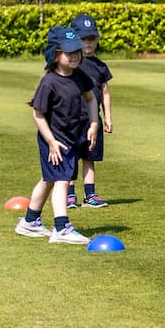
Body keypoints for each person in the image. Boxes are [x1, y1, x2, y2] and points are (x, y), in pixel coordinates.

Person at [14, 26, 98, 245]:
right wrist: (51, 142)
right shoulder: (49, 82)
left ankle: (30, 221)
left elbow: (90, 98)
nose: (75, 56)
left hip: (72, 137)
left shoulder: (79, 76)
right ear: (55, 55)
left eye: (77, 51)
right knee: (62, 180)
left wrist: (94, 123)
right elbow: (38, 114)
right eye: (69, 52)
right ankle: (62, 227)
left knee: (50, 179)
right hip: (54, 140)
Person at [68, 13, 113, 209]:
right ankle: (69, 196)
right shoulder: (70, 63)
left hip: (92, 120)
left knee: (89, 157)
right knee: (70, 159)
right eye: (83, 39)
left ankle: (90, 195)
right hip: (70, 119)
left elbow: (105, 93)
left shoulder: (101, 66)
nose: (88, 43)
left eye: (91, 39)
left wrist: (108, 118)